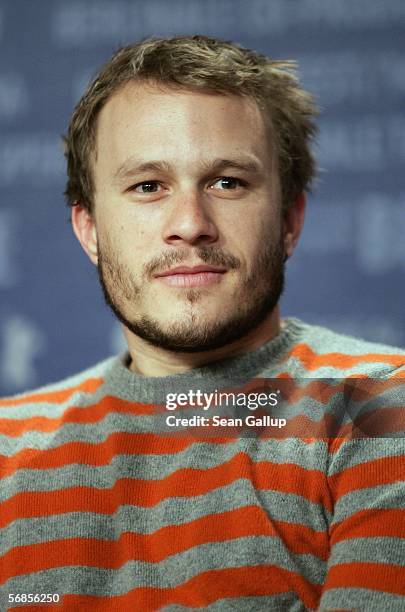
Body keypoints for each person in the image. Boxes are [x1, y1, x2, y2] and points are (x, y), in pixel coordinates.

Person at [0, 35, 404, 611]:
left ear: (289, 220)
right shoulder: (7, 448)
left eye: (227, 183)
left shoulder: (383, 407)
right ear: (89, 230)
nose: (190, 224)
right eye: (147, 186)